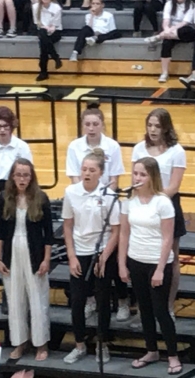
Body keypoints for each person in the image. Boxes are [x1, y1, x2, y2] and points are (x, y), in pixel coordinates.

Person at [118, 157, 182, 375]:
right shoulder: (129, 201)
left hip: (157, 262)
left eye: (142, 174)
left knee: (160, 310)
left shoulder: (163, 202)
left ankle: (172, 355)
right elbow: (124, 233)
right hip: (136, 260)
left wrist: (160, 269)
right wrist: (122, 263)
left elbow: (167, 238)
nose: (137, 178)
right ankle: (151, 350)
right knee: (144, 309)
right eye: (135, 173)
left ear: (152, 177)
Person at [65, 104, 127, 319]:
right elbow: (75, 177)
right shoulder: (74, 146)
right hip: (83, 203)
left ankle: (122, 302)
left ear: (102, 125)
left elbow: (115, 179)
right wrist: (85, 194)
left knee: (112, 258)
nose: (91, 128)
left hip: (107, 204)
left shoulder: (112, 146)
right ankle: (90, 300)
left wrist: (102, 198)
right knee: (85, 266)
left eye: (95, 124)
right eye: (87, 124)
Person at [61, 149, 121, 364]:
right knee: (77, 301)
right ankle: (79, 345)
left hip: (102, 254)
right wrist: (72, 256)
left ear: (101, 173)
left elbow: (116, 230)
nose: (87, 173)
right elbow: (67, 226)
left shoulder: (109, 196)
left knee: (103, 301)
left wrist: (104, 256)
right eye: (84, 169)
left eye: (92, 170)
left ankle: (102, 344)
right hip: (80, 252)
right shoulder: (71, 192)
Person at [0, 158, 54, 361]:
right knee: (15, 300)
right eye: (18, 174)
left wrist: (47, 259)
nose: (22, 179)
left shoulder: (41, 198)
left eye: (26, 175)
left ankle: (41, 344)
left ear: (32, 177)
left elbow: (48, 235)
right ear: (12, 176)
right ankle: (20, 342)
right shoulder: (4, 199)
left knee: (38, 301)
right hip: (12, 255)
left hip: (35, 255)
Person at [131, 108, 187, 315]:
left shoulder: (177, 151)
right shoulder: (138, 148)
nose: (153, 130)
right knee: (142, 257)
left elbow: (174, 185)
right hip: (142, 208)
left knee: (171, 257)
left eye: (157, 125)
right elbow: (134, 181)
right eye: (150, 125)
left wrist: (156, 200)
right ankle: (144, 307)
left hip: (167, 206)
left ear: (166, 128)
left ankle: (168, 306)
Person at [0, 106, 33, 241]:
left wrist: (18, 203)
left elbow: (28, 176)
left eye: (5, 126)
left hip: (20, 196)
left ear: (11, 126)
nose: (2, 130)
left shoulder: (22, 147)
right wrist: (5, 204)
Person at [144, 0, 195, 83]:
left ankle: (158, 37)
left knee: (183, 31)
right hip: (170, 32)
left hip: (187, 30)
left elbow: (185, 22)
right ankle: (164, 72)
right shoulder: (169, 3)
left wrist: (168, 32)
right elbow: (166, 20)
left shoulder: (191, 5)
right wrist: (166, 30)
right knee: (166, 43)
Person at [33, 0, 64, 81]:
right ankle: (55, 57)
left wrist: (50, 29)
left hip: (56, 30)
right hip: (43, 29)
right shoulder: (35, 7)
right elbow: (37, 22)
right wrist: (46, 28)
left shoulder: (57, 7)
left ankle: (43, 72)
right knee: (43, 37)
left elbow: (56, 25)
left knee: (43, 43)